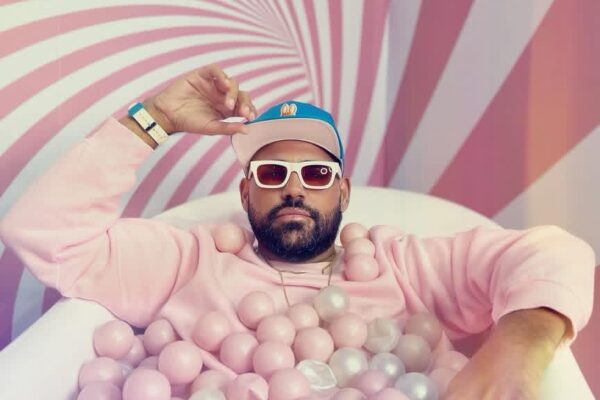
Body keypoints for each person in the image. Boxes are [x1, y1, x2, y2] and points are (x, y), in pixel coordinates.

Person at [0, 64, 595, 400]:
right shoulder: (188, 259)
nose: (293, 188)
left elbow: (553, 251)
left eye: (314, 173)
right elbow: (43, 231)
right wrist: (152, 118)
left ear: (342, 192)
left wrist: (519, 345)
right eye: (271, 173)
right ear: (245, 193)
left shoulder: (401, 262)